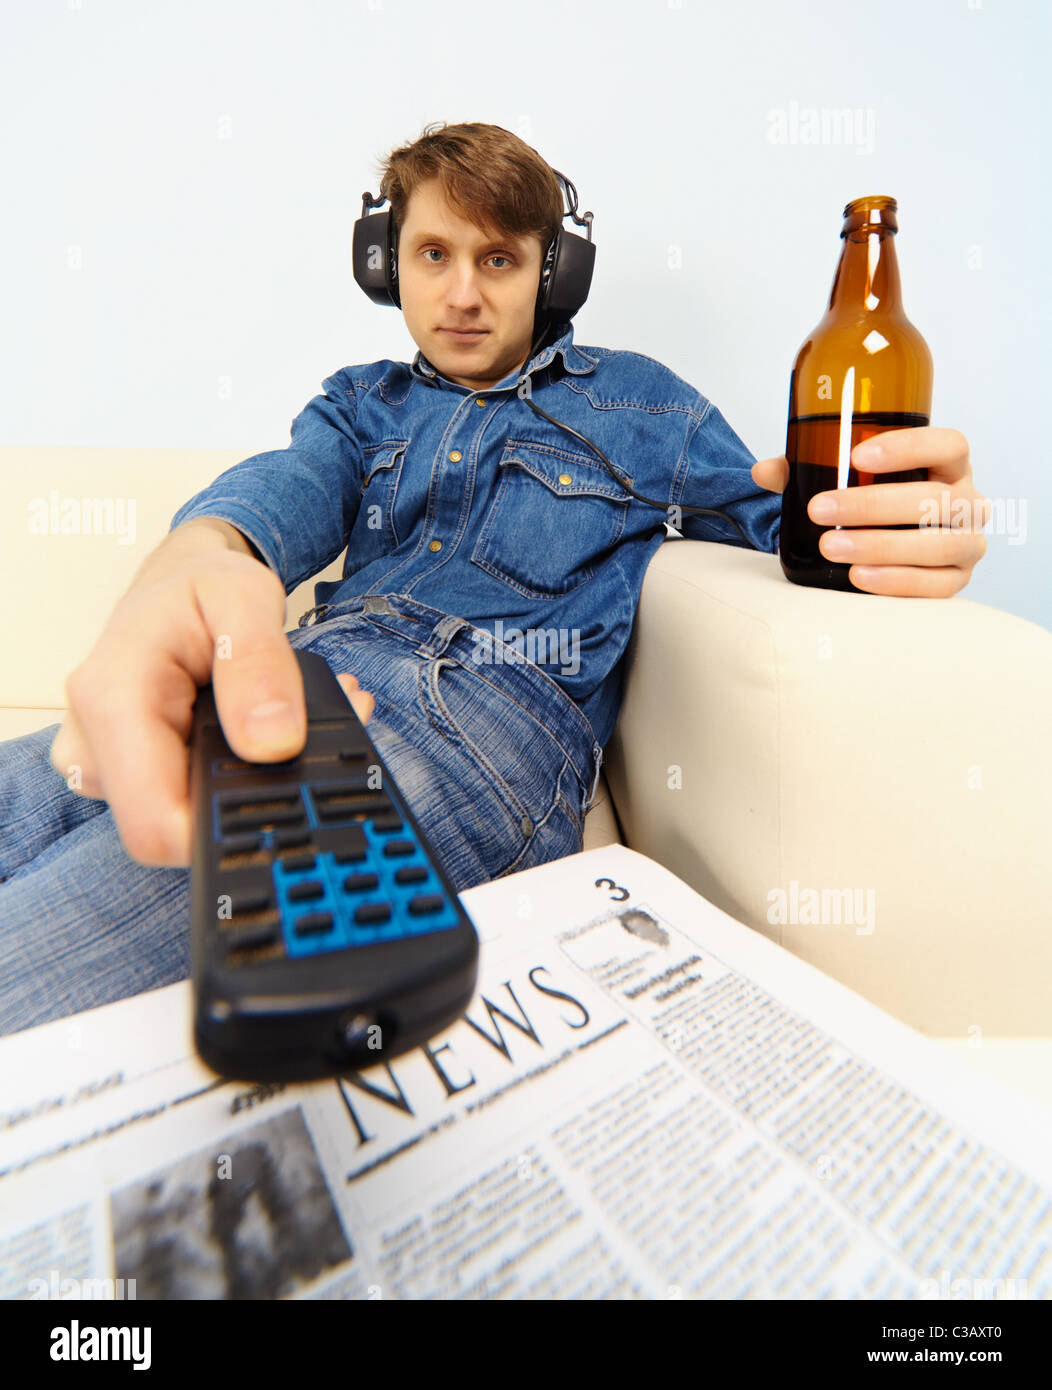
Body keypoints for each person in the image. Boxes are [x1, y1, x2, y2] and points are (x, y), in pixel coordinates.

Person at [0, 122, 990, 1037]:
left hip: (471, 723)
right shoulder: (358, 403)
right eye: (434, 255)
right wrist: (194, 557)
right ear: (388, 264)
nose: (463, 294)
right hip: (294, 684)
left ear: (550, 274)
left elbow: (808, 528)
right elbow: (278, 495)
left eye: (498, 260)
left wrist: (904, 519)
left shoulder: (646, 406)